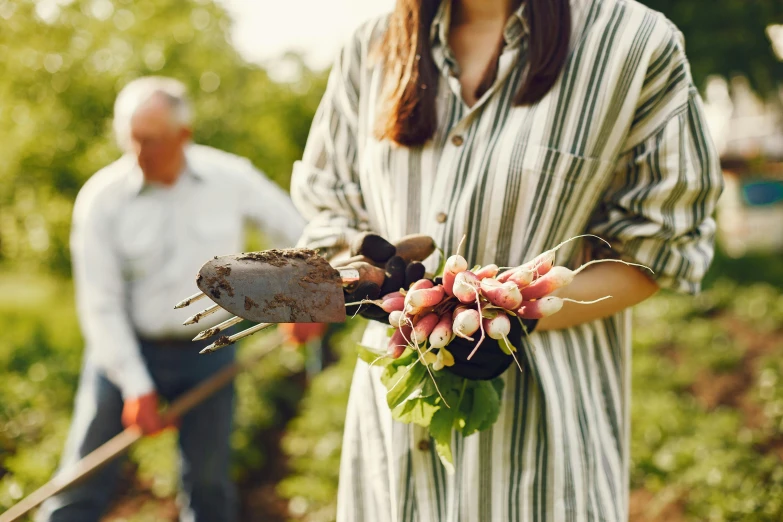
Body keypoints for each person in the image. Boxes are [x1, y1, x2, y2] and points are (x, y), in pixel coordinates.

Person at [290, 0, 724, 520]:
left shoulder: (631, 42)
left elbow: (657, 250)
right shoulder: (371, 47)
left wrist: (509, 310)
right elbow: (328, 209)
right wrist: (369, 281)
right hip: (394, 433)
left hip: (543, 440)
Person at [37, 76, 306, 522]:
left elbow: (295, 229)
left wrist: (303, 297)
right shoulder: (101, 200)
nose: (142, 155)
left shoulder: (229, 178)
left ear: (184, 135)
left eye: (154, 141)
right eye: (134, 141)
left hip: (210, 349)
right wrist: (135, 384)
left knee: (208, 484)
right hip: (125, 349)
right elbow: (100, 302)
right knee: (81, 480)